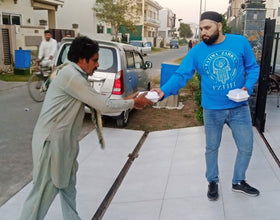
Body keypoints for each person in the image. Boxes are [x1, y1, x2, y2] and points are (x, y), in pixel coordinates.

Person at [19, 36, 152, 220]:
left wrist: (130, 100)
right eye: (95, 60)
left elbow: (99, 101)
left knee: (67, 190)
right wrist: (132, 103)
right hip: (51, 145)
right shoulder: (71, 76)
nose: (97, 65)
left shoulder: (74, 73)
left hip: (64, 145)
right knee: (40, 196)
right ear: (82, 60)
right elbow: (103, 105)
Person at [152, 11, 260, 201]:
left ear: (219, 26)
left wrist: (247, 86)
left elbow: (253, 68)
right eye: (201, 28)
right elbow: (181, 75)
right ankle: (212, 181)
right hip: (212, 109)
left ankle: (238, 181)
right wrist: (164, 91)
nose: (204, 32)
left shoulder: (240, 42)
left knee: (246, 147)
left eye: (207, 28)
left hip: (239, 107)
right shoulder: (197, 51)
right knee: (211, 148)